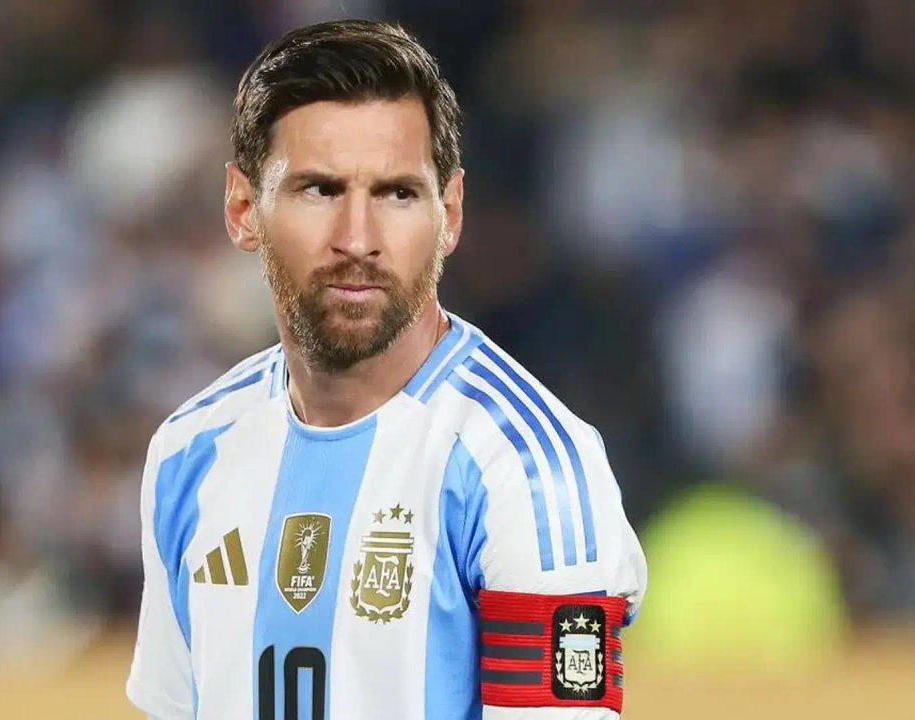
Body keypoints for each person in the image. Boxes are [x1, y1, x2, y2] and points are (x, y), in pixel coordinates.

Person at [126, 19, 646, 720]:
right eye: (320, 190)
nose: (358, 239)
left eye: (397, 193)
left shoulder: (527, 470)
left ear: (450, 214)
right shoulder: (189, 452)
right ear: (243, 208)